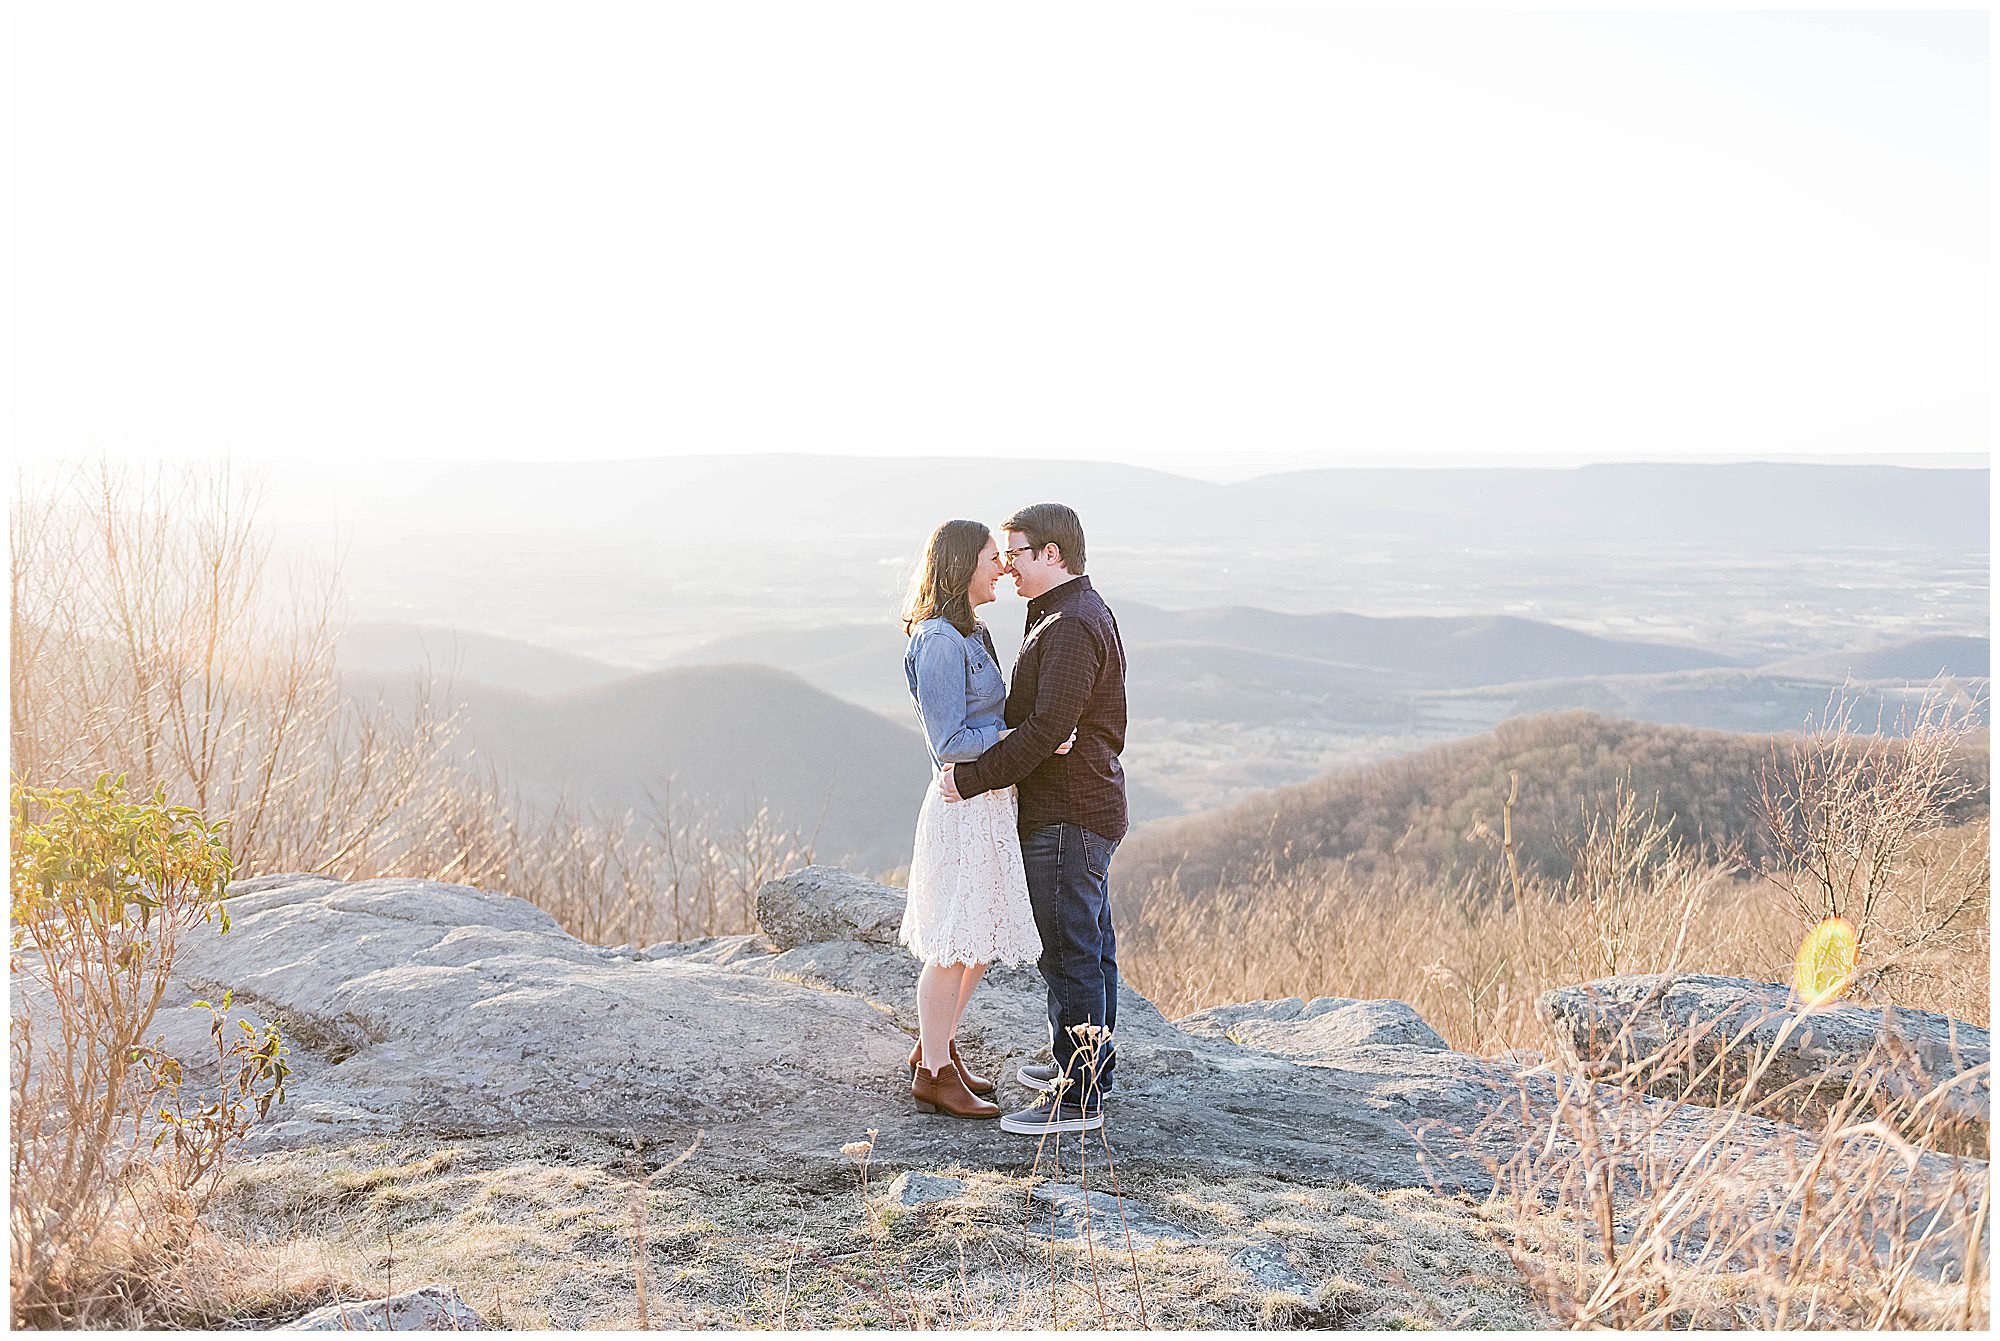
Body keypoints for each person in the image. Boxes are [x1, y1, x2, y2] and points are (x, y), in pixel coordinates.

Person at [937, 502, 1128, 1137]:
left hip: (1070, 810)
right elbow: (1047, 723)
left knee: (1072, 950)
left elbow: (1048, 727)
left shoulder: (1070, 624)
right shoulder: (1062, 613)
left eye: (1015, 553)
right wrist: (1041, 733)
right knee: (1091, 945)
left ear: (1052, 554)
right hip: (1080, 803)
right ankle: (1084, 1072)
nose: (1007, 565)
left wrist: (969, 778)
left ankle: (1078, 1100)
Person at [899, 519, 1065, 1119]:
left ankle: (934, 1047)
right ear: (962, 564)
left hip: (989, 802)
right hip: (961, 805)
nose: (1003, 568)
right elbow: (948, 740)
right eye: (993, 558)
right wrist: (1023, 737)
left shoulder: (973, 632)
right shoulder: (939, 639)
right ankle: (935, 1074)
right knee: (951, 943)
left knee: (978, 943)